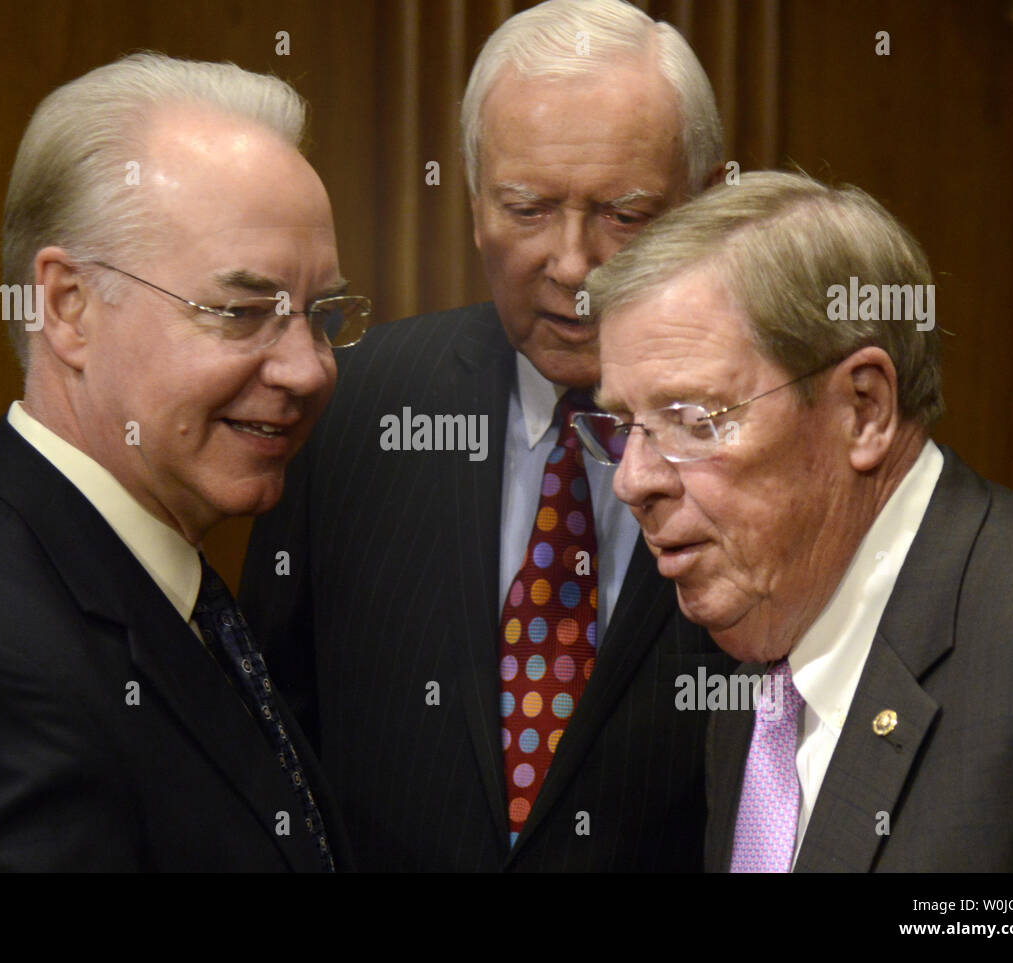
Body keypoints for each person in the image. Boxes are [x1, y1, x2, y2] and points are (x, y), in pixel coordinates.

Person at [0, 53, 374, 871]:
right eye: (242, 311)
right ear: (69, 307)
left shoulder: (152, 579)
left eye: (319, 314)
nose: (308, 368)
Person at [240, 0, 730, 871]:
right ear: (474, 208)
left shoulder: (761, 437)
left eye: (625, 214)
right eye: (529, 208)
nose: (574, 264)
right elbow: (277, 742)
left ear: (700, 207)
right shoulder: (351, 405)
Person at [584, 169, 1013, 872]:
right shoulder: (761, 645)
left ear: (864, 409)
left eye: (693, 420)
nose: (633, 480)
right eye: (624, 425)